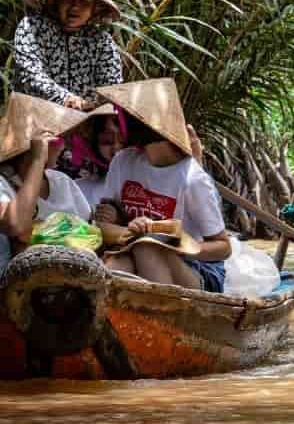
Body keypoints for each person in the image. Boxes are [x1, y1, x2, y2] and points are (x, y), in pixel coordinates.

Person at [93, 79, 231, 292]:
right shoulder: (123, 161)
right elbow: (102, 224)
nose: (119, 126)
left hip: (197, 269)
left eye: (125, 117)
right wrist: (132, 230)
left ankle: (166, 316)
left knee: (147, 246)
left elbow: (223, 247)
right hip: (136, 252)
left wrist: (174, 243)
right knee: (118, 264)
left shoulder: (192, 179)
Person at [0, 93, 94, 291]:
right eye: (58, 140)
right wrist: (36, 160)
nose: (64, 147)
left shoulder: (62, 182)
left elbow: (88, 229)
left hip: (58, 291)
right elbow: (15, 224)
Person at [13, 0, 123, 111]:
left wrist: (105, 118)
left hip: (85, 124)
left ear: (94, 9)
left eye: (84, 1)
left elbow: (112, 89)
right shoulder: (32, 27)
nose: (75, 7)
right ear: (56, 1)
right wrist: (67, 99)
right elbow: (30, 75)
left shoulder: (102, 42)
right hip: (35, 119)